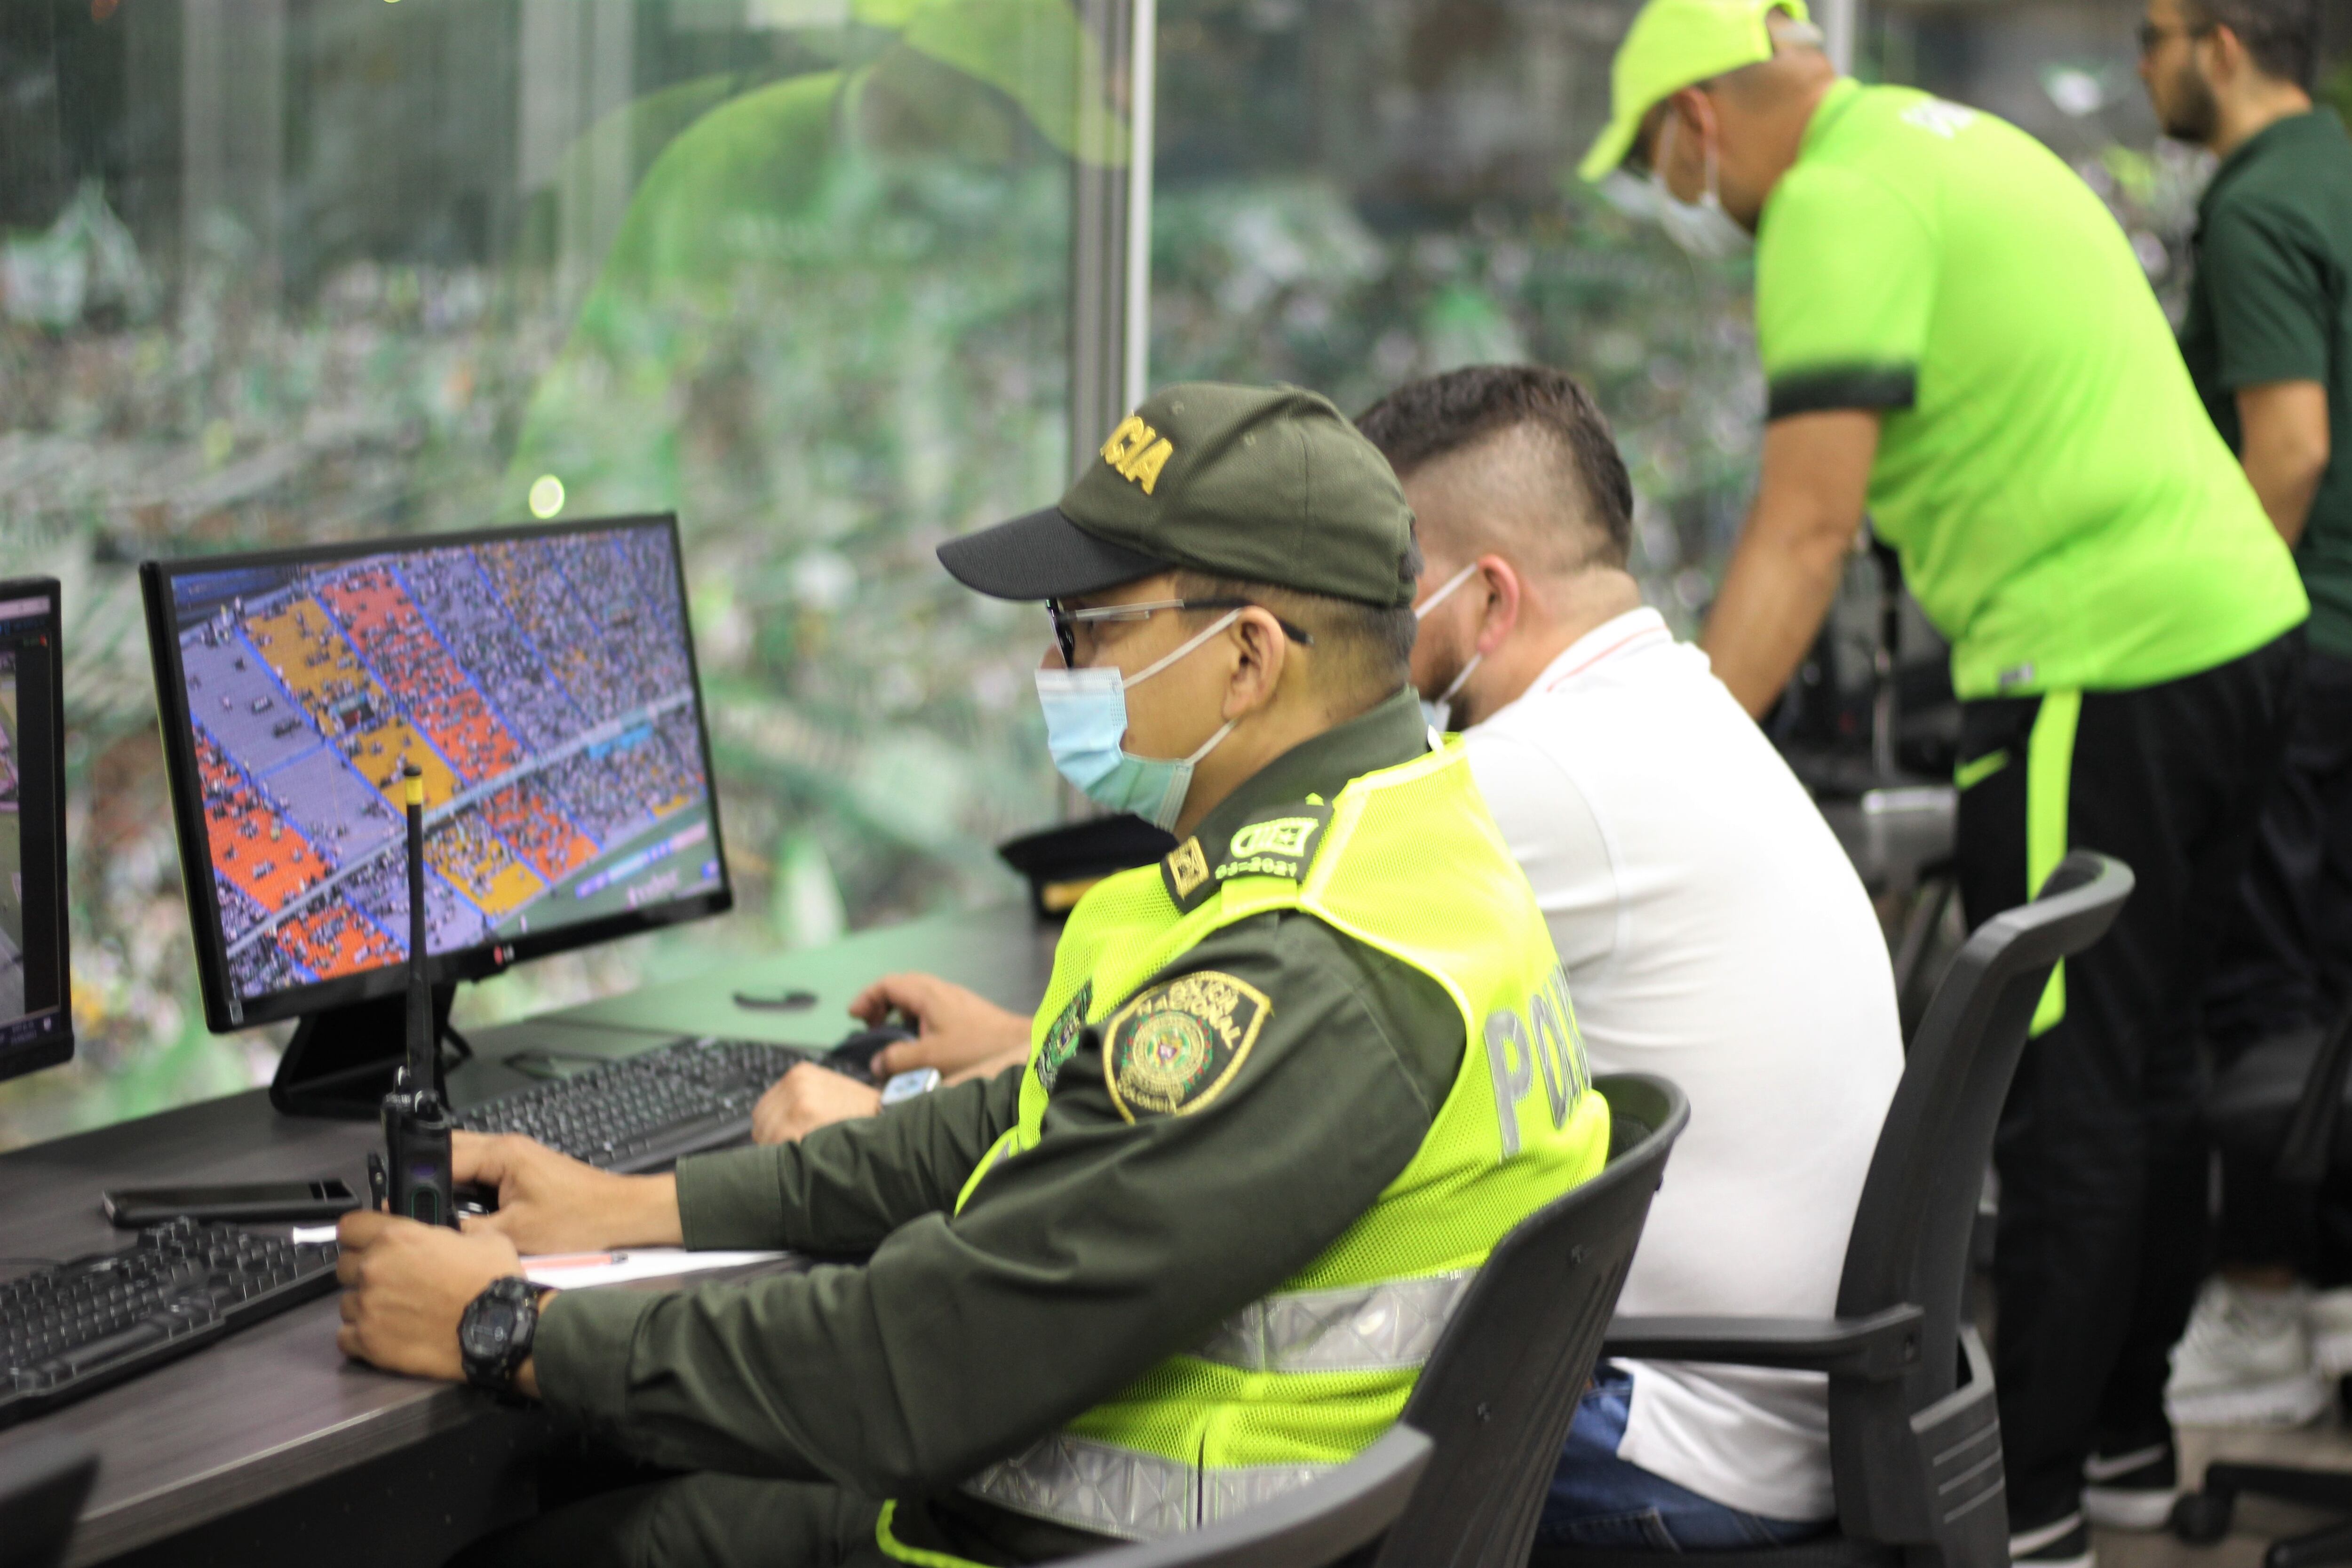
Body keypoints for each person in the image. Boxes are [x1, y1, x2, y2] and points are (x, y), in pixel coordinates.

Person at [331, 382, 1613, 1568]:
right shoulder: (1403, 840)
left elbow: (916, 1364)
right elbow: (1029, 1114)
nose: (1057, 667)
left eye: (1092, 624)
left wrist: (504, 1326)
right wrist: (633, 1205)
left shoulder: (1303, 972)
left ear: (1248, 657)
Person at [1578, 2, 2310, 1561]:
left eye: (1662, 160)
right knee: (2154, 1058)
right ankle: (2118, 1437)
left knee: (2055, 1088)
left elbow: (1803, 525)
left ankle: (2026, 1497)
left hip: (2092, 659)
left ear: (1700, 118)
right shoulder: (1946, 141)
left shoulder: (1835, 202)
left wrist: (1667, 742)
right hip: (2235, 629)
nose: (1683, 195)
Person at [1355, 362, 1904, 1548]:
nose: (1369, 633)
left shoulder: (1540, 775)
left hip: (1677, 1433)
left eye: (1384, 590)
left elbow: (1277, 996)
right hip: (1804, 1403)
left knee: (1268, 1433)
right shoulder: (1680, 710)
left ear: (1488, 598)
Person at [2137, 0, 2352, 1430]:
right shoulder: (2339, 165)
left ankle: (2270, 1299)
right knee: (2330, 988)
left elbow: (2287, 446)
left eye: (2154, 34)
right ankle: (2332, 1295)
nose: (2146, 64)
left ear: (2224, 43)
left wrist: (2223, 634)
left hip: (2302, 643)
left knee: (2262, 989)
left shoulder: (2260, 201)